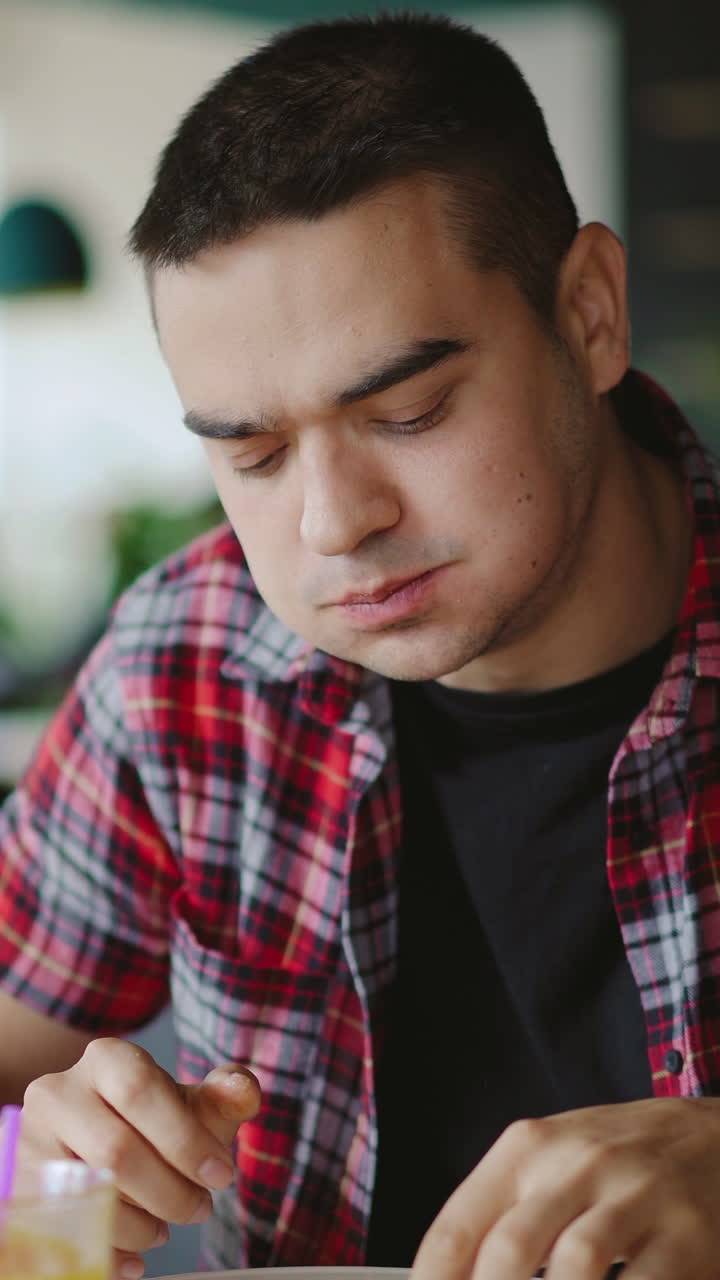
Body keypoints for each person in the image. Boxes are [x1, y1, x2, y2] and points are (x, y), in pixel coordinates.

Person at [1, 11, 719, 1280]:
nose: (334, 523)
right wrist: (39, 1158)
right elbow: (16, 1074)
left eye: (409, 410)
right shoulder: (184, 664)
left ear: (591, 315)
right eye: (252, 453)